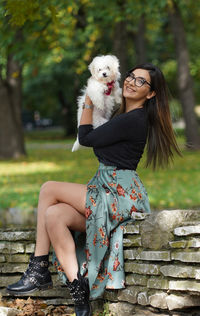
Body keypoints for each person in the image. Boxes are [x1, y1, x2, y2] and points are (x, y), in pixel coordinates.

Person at [7, 63, 181, 316]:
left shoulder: (134, 119)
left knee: (48, 189)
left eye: (141, 81)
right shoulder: (122, 116)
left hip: (118, 193)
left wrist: (89, 97)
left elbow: (86, 137)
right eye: (131, 76)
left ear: (151, 93)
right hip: (106, 187)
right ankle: (80, 294)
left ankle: (38, 268)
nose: (132, 82)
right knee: (54, 215)